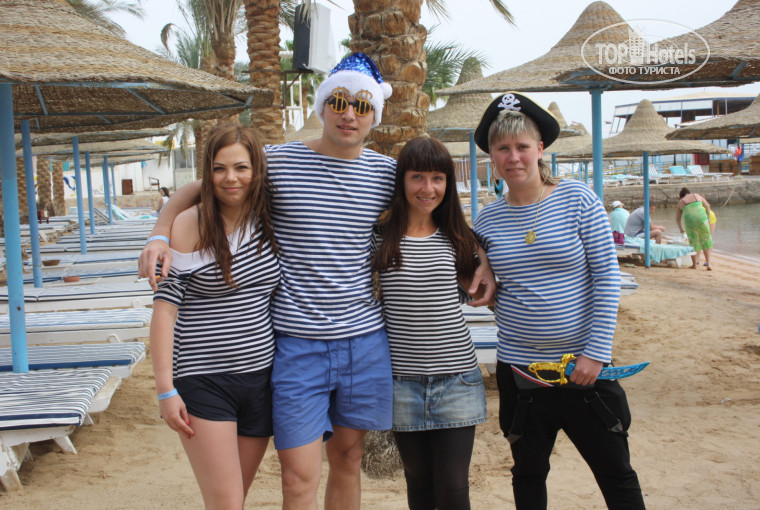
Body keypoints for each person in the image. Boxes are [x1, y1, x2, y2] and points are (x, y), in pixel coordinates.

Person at [139, 53, 496, 510]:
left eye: (362, 106)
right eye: (339, 101)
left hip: (364, 342)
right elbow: (209, 184)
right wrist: (160, 231)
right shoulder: (278, 161)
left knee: (347, 459)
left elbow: (436, 209)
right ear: (322, 105)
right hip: (296, 344)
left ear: (374, 116)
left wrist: (482, 255)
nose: (349, 114)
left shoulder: (385, 173)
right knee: (297, 476)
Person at [471, 92, 646, 510]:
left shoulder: (578, 199)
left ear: (540, 149)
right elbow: (482, 280)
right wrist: (481, 277)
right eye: (503, 148)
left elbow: (607, 277)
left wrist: (596, 353)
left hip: (583, 369)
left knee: (616, 473)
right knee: (528, 475)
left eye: (522, 146)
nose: (513, 157)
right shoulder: (486, 220)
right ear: (492, 156)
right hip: (522, 374)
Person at [149, 124, 281, 508]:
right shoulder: (190, 224)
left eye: (241, 167)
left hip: (262, 380)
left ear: (257, 170)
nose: (230, 178)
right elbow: (165, 312)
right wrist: (165, 390)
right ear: (207, 172)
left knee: (236, 498)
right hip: (203, 380)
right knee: (225, 502)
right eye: (219, 168)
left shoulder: (269, 218)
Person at [371, 137, 487, 510]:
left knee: (453, 488)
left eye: (438, 178)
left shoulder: (461, 240)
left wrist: (485, 259)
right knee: (418, 483)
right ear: (402, 181)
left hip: (456, 380)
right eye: (417, 177)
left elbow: (505, 268)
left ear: (448, 183)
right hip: (402, 382)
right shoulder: (380, 239)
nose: (428, 188)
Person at [676, 187, 713, 270]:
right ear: (689, 192)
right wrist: (708, 218)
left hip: (690, 221)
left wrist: (681, 228)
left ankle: (694, 265)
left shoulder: (681, 202)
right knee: (706, 239)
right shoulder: (697, 195)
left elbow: (678, 219)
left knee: (693, 241)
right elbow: (707, 206)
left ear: (681, 196)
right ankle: (709, 264)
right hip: (702, 218)